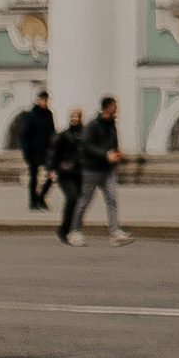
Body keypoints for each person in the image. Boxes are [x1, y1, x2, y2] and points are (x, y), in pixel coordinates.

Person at [71, 96, 129, 247]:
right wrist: (105, 154)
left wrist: (117, 155)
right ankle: (75, 231)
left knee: (112, 199)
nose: (116, 108)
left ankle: (115, 232)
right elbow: (86, 145)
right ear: (107, 107)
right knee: (85, 200)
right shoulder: (93, 125)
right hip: (91, 169)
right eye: (114, 105)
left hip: (107, 170)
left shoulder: (112, 124)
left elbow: (114, 143)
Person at [11, 88, 56, 214]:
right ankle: (33, 201)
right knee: (34, 177)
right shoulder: (31, 115)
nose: (44, 102)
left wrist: (54, 148)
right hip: (34, 151)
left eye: (46, 100)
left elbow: (52, 132)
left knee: (51, 176)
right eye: (42, 99)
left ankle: (40, 197)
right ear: (38, 100)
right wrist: (27, 152)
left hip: (47, 151)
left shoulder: (49, 114)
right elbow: (25, 135)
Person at [54, 105, 89, 245]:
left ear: (80, 118)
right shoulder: (64, 135)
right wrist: (55, 166)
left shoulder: (85, 135)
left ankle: (74, 229)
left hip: (79, 173)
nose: (74, 119)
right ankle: (64, 229)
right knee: (72, 197)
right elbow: (54, 152)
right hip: (65, 174)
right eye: (72, 116)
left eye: (76, 116)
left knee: (79, 201)